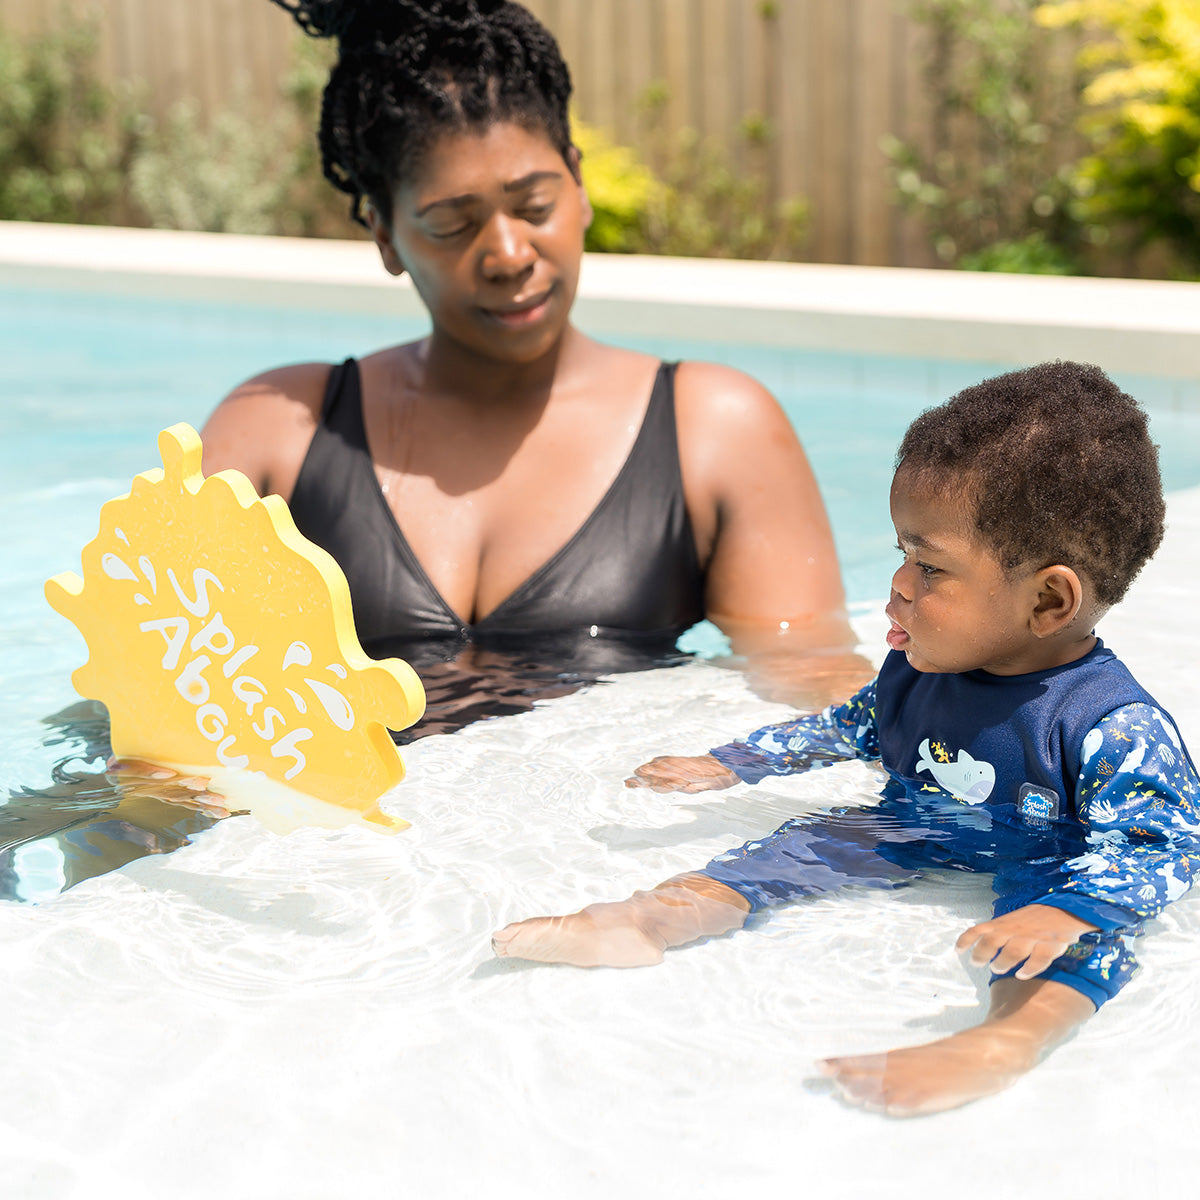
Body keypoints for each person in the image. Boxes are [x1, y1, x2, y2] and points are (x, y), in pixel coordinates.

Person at [493, 361, 1200, 1116]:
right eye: (903, 554)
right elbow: (848, 726)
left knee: (1073, 944)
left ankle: (1005, 1041)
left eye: (929, 566)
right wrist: (735, 763)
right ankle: (655, 917)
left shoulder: (1111, 727)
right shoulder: (918, 670)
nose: (898, 585)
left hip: (1045, 861)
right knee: (801, 845)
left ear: (1049, 599)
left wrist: (1072, 907)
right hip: (914, 823)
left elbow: (1165, 847)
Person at [199, 0, 865, 739]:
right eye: (453, 224)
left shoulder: (713, 430)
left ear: (577, 185)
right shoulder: (276, 436)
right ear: (385, 235)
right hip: (343, 854)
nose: (509, 254)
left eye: (535, 205)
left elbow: (816, 698)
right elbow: (161, 717)